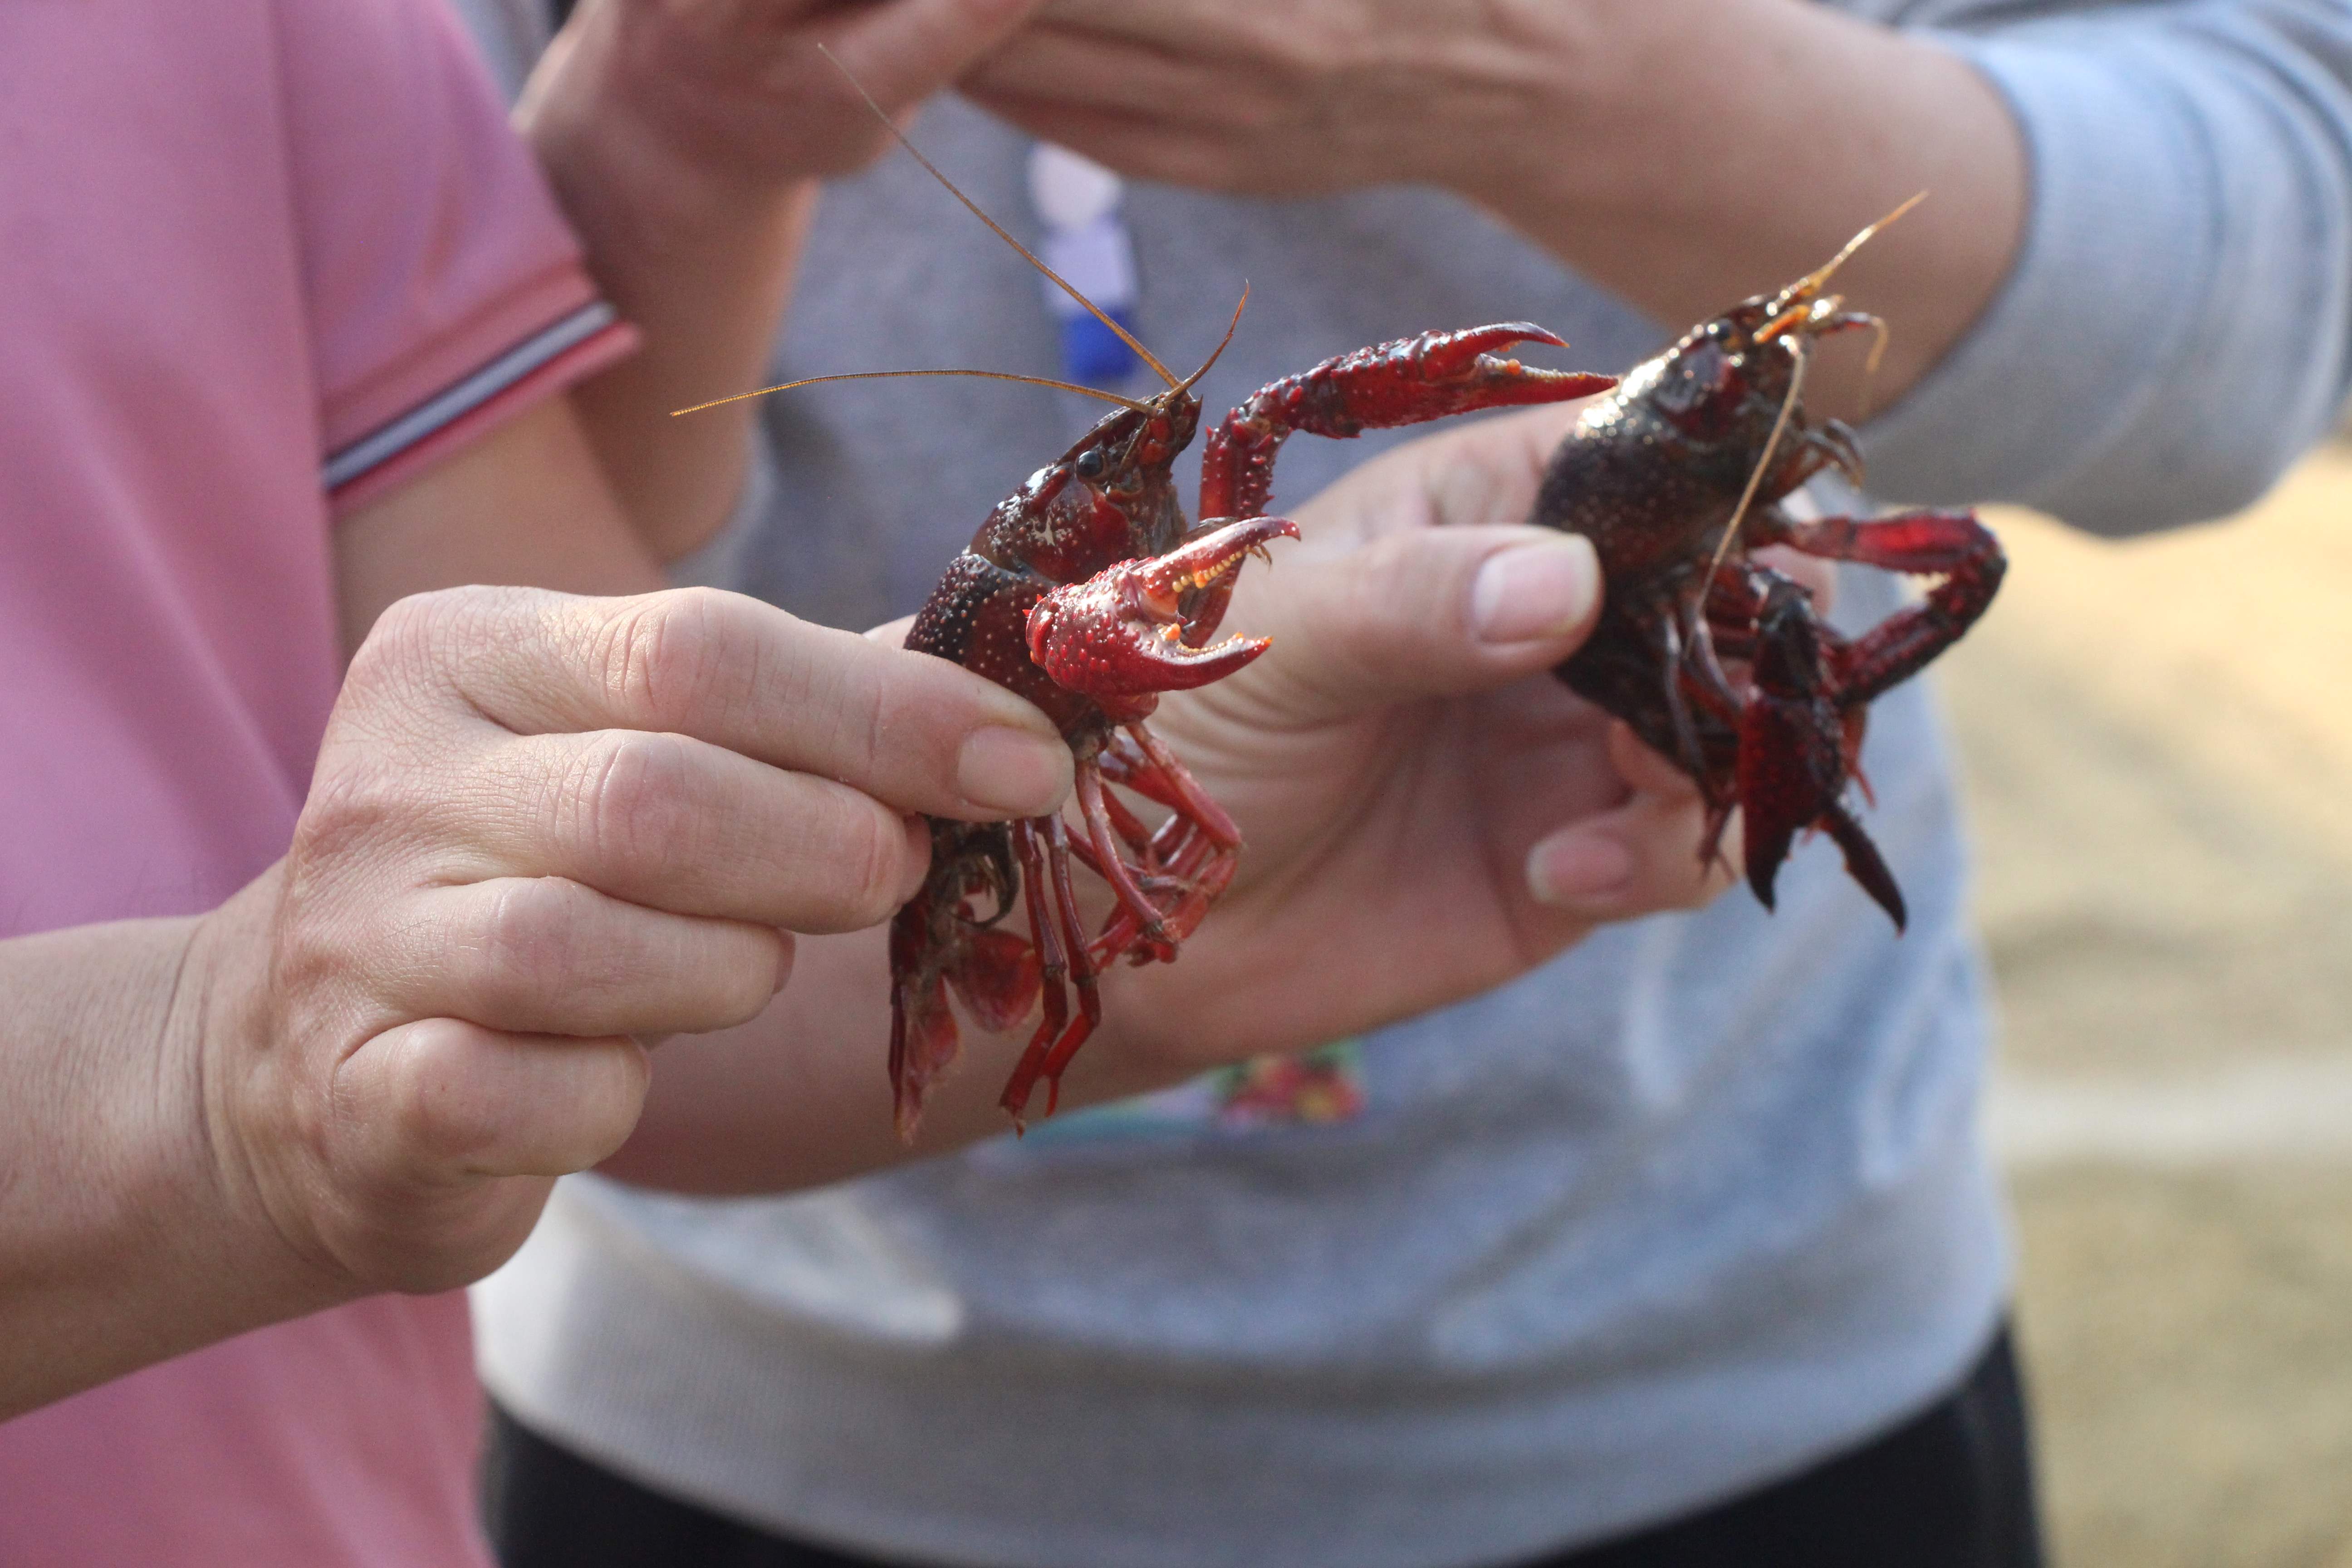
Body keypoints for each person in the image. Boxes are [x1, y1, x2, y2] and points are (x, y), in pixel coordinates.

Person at [466, 1, 2352, 1566]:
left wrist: (1541, 69)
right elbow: (425, 582)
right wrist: (669, 131)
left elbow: (2276, 234)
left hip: (1719, 1358)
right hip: (741, 1395)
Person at [0, 0, 1715, 1560]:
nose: (1172, 463)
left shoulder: (307, 43)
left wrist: (1234, 903)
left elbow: (608, 987)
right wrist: (217, 1077)